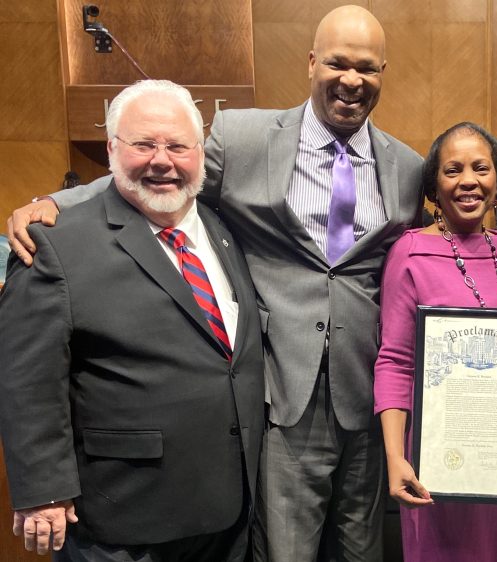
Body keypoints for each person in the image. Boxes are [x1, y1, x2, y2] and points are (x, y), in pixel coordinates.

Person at [5, 6, 423, 561]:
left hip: (364, 395)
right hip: (279, 394)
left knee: (362, 549)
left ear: (384, 71)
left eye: (367, 68)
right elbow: (163, 171)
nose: (352, 79)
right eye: (338, 63)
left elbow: (417, 266)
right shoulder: (243, 137)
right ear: (311, 63)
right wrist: (53, 202)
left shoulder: (409, 167)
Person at [0, 80, 264, 560]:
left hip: (225, 510)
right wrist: (44, 490)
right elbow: (26, 380)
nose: (161, 160)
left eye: (178, 146)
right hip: (123, 519)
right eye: (143, 144)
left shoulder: (223, 229)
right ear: (112, 149)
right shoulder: (56, 247)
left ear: (200, 153)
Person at [374, 122, 497, 561]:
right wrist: (396, 457)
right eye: (452, 170)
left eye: (481, 168)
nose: (468, 181)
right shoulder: (411, 251)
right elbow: (395, 361)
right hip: (441, 457)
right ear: (434, 186)